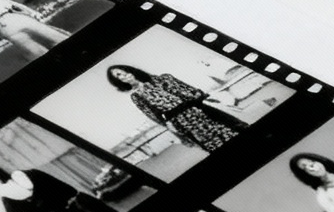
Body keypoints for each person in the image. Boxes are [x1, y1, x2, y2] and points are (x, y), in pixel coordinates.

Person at [107, 65, 250, 152]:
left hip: (199, 110)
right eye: (118, 76)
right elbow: (155, 117)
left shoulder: (163, 78)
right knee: (213, 144)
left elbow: (192, 92)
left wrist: (207, 100)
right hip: (181, 123)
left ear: (130, 70)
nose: (123, 76)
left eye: (123, 71)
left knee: (233, 130)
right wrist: (174, 130)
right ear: (118, 81)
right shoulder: (137, 96)